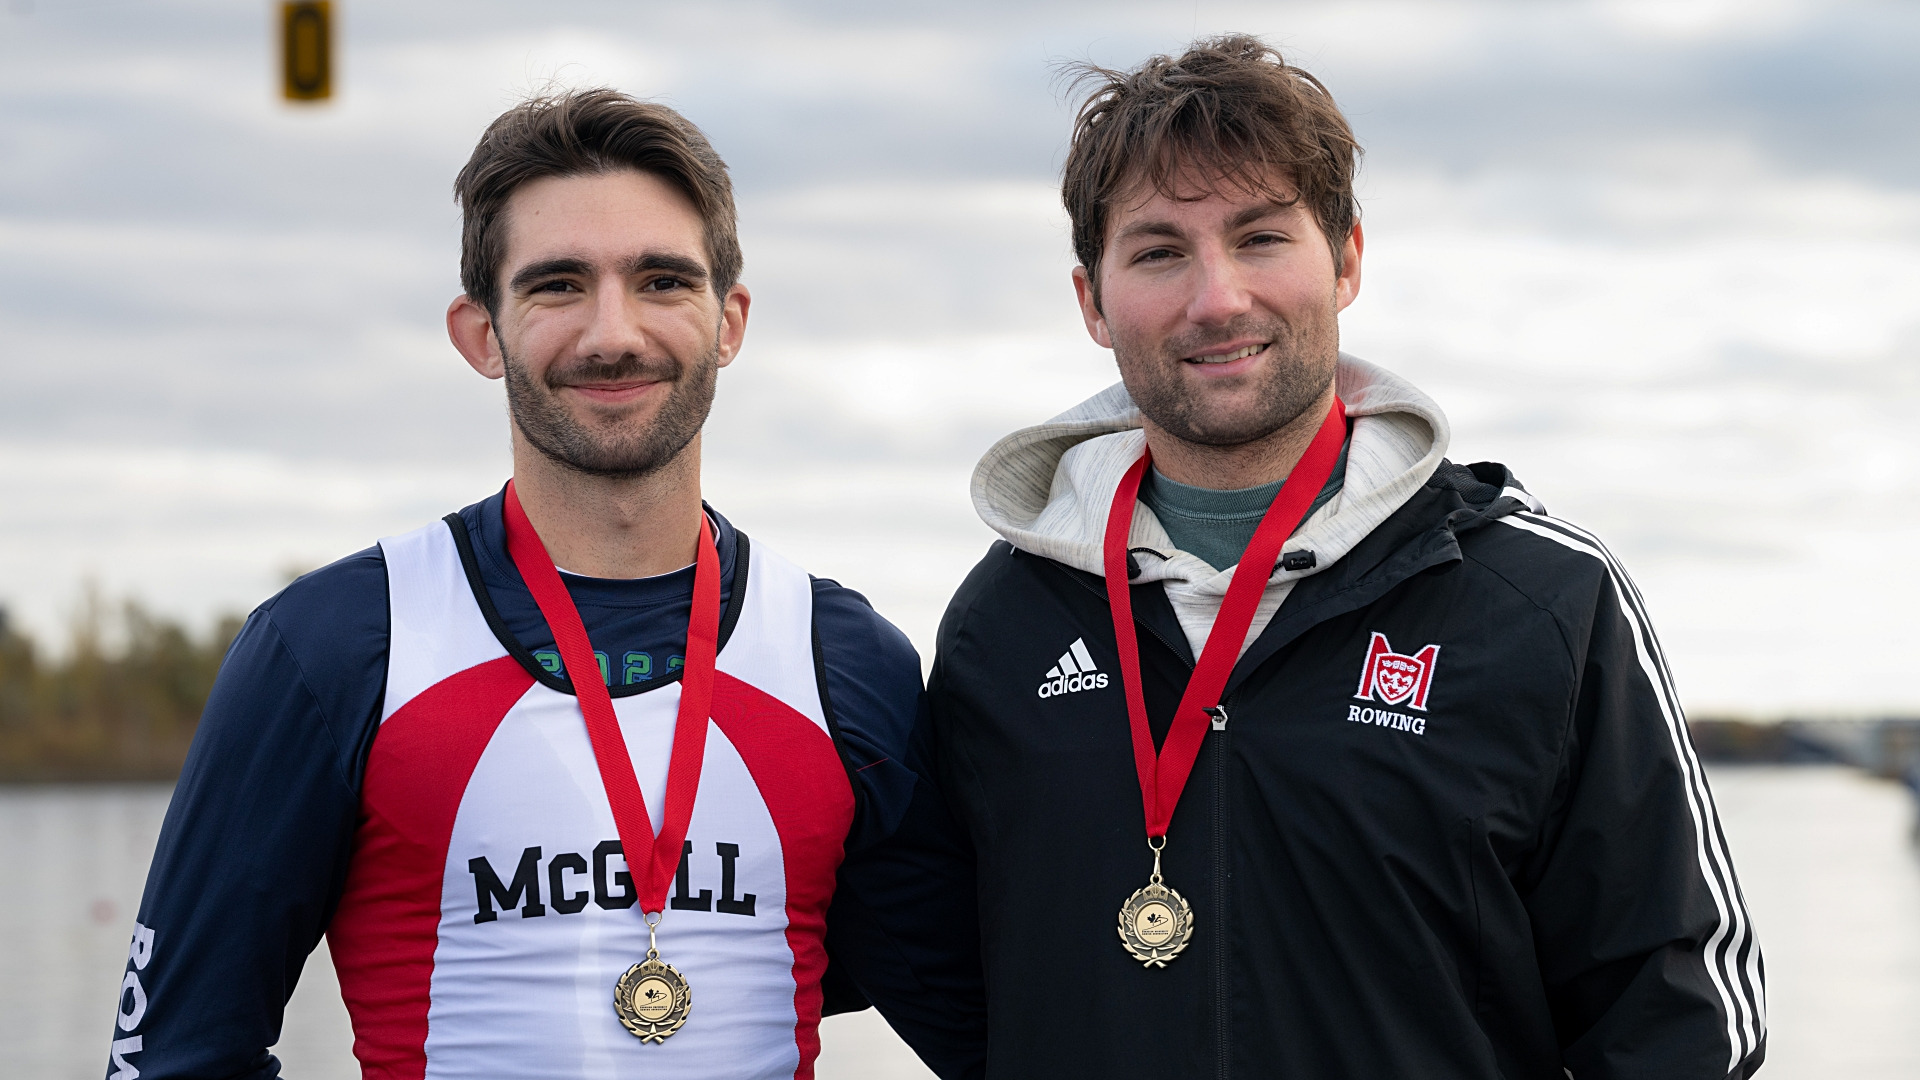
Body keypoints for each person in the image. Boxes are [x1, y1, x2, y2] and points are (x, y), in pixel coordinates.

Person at [909, 34, 1767, 1078]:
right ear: (1093, 300)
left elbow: (1679, 1008)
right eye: (1160, 252)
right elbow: (951, 980)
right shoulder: (1003, 622)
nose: (1218, 298)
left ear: (1348, 259)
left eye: (1261, 237)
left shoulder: (1539, 599)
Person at [104, 89, 964, 1080]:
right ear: (481, 333)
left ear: (729, 321)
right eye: (558, 285)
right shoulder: (334, 646)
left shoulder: (847, 659)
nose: (613, 333)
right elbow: (174, 1057)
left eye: (662, 281)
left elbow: (1004, 1033)